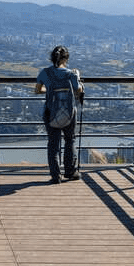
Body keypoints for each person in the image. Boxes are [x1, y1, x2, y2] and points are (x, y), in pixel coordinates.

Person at [35, 45, 84, 183]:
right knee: (70, 140)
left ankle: (56, 176)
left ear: (52, 58)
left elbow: (37, 90)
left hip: (51, 111)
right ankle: (70, 171)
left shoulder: (45, 72)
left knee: (53, 144)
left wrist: (51, 90)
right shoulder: (71, 74)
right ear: (66, 58)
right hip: (69, 113)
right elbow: (79, 90)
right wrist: (78, 75)